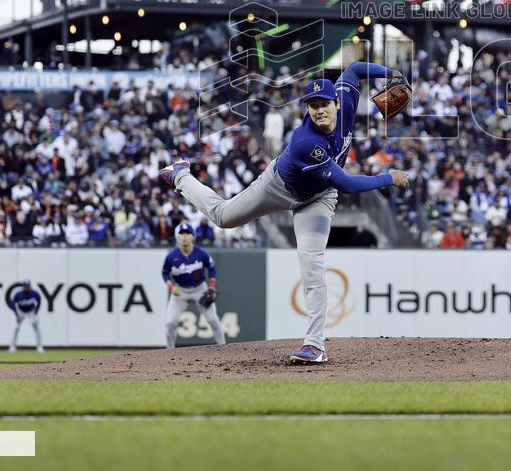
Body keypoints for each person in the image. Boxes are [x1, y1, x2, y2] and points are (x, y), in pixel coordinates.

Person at [159, 62, 409, 363]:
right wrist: (387, 178)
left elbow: (354, 69)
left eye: (324, 104)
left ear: (337, 102)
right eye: (313, 105)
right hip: (279, 186)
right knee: (223, 217)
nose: (319, 110)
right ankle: (181, 175)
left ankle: (315, 345)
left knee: (312, 263)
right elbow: (346, 183)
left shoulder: (347, 100)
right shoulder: (307, 142)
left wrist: (389, 72)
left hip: (318, 198)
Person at [162, 223, 226, 348]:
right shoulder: (171, 256)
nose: (184, 237)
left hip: (199, 289)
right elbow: (165, 273)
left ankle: (223, 347)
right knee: (170, 323)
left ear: (193, 236)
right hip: (180, 291)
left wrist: (211, 286)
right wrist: (171, 287)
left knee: (213, 320)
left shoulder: (201, 253)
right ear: (177, 237)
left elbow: (212, 268)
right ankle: (169, 352)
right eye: (181, 234)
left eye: (188, 233)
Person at [8, 279, 44, 353]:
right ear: (23, 286)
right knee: (16, 328)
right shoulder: (18, 294)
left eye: (27, 286)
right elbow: (13, 304)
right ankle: (12, 347)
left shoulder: (35, 294)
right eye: (25, 286)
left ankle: (40, 347)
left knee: (36, 328)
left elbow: (39, 301)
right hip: (21, 311)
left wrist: (36, 312)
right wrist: (16, 314)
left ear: (30, 286)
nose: (26, 287)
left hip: (31, 311)